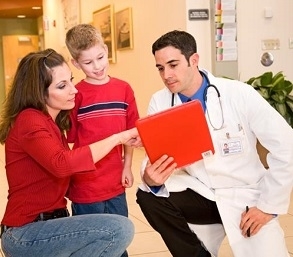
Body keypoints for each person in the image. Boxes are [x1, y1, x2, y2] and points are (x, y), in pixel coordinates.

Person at [136, 30, 293, 257]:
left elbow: (287, 146)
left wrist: (268, 207)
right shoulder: (160, 101)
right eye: (161, 68)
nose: (166, 75)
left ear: (194, 60)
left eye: (173, 65)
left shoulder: (239, 94)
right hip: (201, 193)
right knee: (147, 196)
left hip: (246, 196)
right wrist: (150, 178)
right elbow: (154, 156)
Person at [0, 48, 141, 257]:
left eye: (71, 81)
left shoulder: (52, 123)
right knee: (119, 230)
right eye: (62, 86)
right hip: (25, 233)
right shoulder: (29, 120)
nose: (74, 90)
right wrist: (118, 138)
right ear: (39, 92)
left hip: (50, 224)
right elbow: (62, 164)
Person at [65, 24, 139, 257]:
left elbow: (131, 132)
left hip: (115, 181)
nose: (97, 66)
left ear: (106, 50)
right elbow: (71, 140)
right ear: (75, 64)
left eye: (100, 57)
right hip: (85, 185)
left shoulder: (124, 89)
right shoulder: (75, 95)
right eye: (88, 62)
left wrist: (127, 166)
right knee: (90, 243)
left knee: (119, 238)